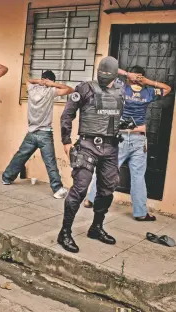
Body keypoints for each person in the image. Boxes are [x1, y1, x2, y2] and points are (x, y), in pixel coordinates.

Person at [57, 56, 142, 253]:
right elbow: (67, 114)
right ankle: (65, 232)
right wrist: (66, 141)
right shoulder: (84, 88)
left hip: (111, 148)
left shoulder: (121, 89)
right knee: (79, 189)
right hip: (87, 145)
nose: (103, 79)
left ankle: (96, 227)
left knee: (106, 190)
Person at [84, 65, 171, 221]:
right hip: (138, 138)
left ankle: (90, 199)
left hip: (121, 137)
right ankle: (140, 213)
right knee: (138, 176)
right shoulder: (149, 92)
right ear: (143, 77)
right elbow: (167, 88)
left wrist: (127, 74)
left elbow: (108, 69)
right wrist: (148, 81)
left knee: (106, 170)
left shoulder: (122, 88)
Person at [2, 70, 73, 199]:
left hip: (31, 132)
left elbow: (28, 80)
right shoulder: (51, 91)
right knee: (50, 162)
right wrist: (53, 84)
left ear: (42, 79)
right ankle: (57, 189)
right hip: (44, 133)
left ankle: (7, 177)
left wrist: (39, 81)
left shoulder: (32, 89)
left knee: (20, 156)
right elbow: (70, 89)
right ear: (51, 80)